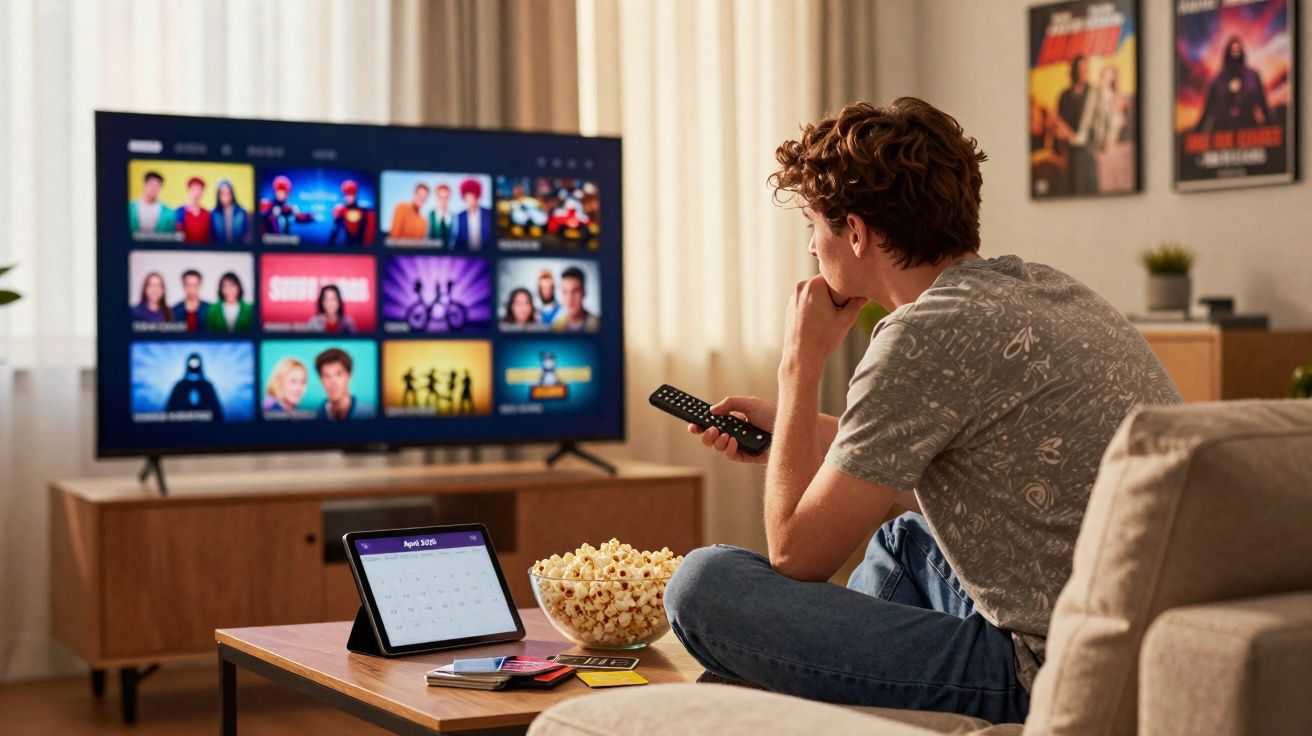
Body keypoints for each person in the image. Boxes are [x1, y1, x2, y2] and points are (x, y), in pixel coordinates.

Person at [664, 98, 1182, 724]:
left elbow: (797, 555)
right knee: (904, 538)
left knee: (702, 584)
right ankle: (829, 701)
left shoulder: (921, 336)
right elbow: (951, 454)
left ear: (854, 232)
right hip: (1132, 644)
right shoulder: (1047, 287)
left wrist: (799, 367)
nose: (810, 247)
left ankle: (803, 695)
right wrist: (793, 430)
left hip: (1048, 671)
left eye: (812, 226)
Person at [1196, 36, 1270, 133]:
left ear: (1242, 53)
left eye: (1238, 51)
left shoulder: (1253, 77)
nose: (1235, 55)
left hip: (1248, 130)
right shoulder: (1217, 81)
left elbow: (1263, 106)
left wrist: (1272, 131)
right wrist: (1195, 135)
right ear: (1227, 54)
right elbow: (1207, 112)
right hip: (1222, 132)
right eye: (1232, 51)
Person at [1055, 55, 1099, 195]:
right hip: (1070, 154)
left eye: (1085, 69)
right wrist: (1063, 133)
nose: (1082, 73)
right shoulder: (1064, 96)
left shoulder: (1093, 93)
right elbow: (1059, 122)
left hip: (1088, 151)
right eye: (1079, 69)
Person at [165, 352, 224, 421]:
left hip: (206, 429)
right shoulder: (179, 386)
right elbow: (168, 411)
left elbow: (217, 413)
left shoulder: (207, 387)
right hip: (180, 428)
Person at [550, 266, 599, 333]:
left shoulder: (598, 325)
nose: (570, 298)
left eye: (575, 291)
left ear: (584, 292)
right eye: (565, 292)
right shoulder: (556, 326)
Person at [315, 348, 359, 420]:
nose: (333, 382)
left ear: (350, 376)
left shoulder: (370, 412)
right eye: (327, 376)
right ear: (321, 380)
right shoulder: (314, 416)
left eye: (338, 374)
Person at [328, 179, 376, 246]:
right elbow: (335, 229)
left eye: (351, 194)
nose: (349, 198)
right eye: (346, 195)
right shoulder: (339, 209)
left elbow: (370, 231)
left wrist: (367, 247)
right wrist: (330, 246)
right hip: (346, 244)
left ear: (356, 195)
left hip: (362, 245)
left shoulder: (366, 209)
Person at [453, 178, 494, 250]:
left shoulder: (488, 214)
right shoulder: (460, 216)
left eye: (473, 197)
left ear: (478, 197)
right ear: (464, 198)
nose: (471, 202)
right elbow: (459, 241)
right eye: (467, 198)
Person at [210, 179, 250, 244]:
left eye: (228, 192)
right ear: (218, 195)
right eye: (222, 193)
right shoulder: (213, 214)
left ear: (232, 194)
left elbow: (245, 235)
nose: (225, 196)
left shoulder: (241, 213)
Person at [175, 176, 213, 243]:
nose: (197, 193)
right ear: (188, 190)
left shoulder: (206, 214)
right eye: (194, 189)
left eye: (200, 190)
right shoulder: (180, 212)